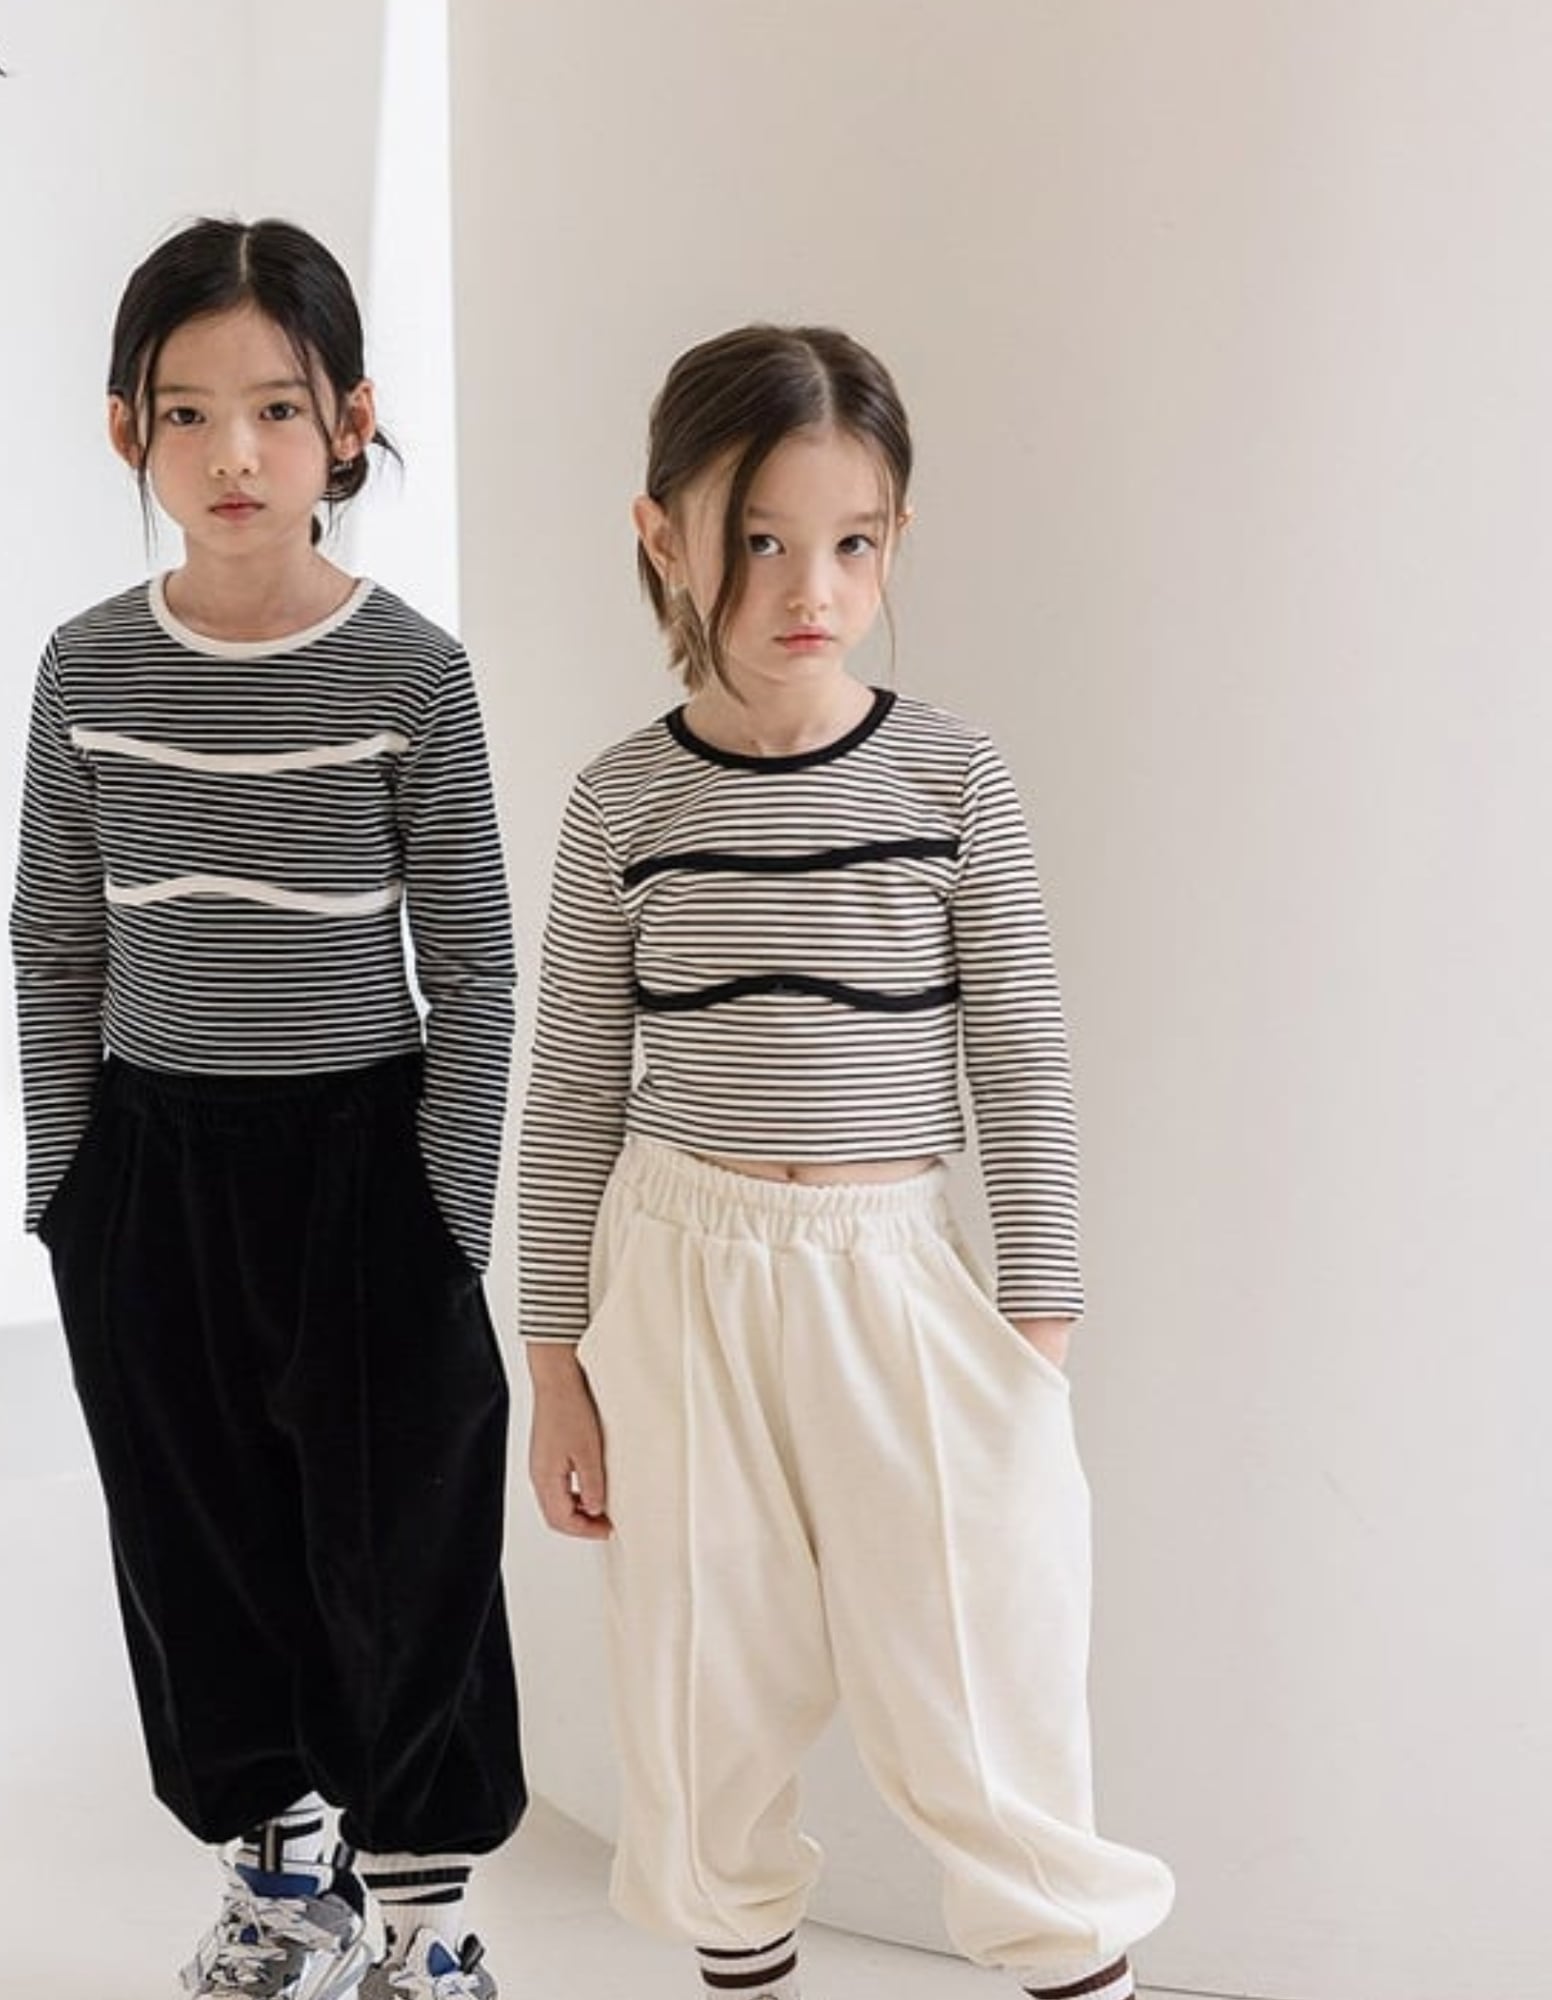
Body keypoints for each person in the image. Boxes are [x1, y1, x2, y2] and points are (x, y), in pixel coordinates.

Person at [517, 324, 1175, 2000]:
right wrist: (556, 1363)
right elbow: (572, 1086)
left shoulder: (954, 779)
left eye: (852, 543)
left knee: (982, 1688)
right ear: (662, 534)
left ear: (895, 539)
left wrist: (1036, 1335)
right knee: (705, 1692)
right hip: (679, 1281)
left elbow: (1021, 1059)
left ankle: (1074, 1965)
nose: (809, 587)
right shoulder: (621, 804)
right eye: (758, 540)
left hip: (899, 1275)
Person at [11, 216, 522, 2000]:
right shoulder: (87, 668)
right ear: (127, 431)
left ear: (350, 423)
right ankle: (283, 1873)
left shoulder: (410, 673)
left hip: (366, 1163)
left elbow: (477, 962)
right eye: (188, 413)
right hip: (153, 1167)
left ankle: (427, 1921)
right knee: (196, 1538)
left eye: (279, 409)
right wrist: (68, 1191)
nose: (234, 452)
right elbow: (57, 937)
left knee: (403, 1551)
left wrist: (445, 1214)